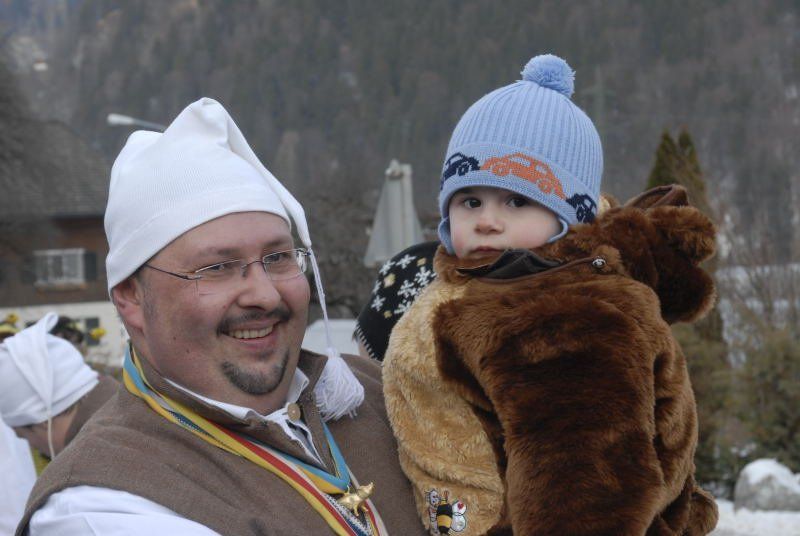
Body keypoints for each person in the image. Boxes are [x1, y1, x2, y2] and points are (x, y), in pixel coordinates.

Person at [18, 98, 424, 536]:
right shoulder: (103, 501)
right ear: (132, 299)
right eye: (217, 267)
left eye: (278, 257)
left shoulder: (376, 394)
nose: (264, 294)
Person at [382, 54, 717, 535]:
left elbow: (584, 486)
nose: (487, 220)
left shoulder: (556, 316)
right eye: (470, 200)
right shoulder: (483, 285)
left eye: (517, 201)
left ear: (568, 217)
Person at [0, 312, 118, 460]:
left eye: (23, 436)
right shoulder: (130, 407)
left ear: (43, 421)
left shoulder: (86, 465)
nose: (31, 447)